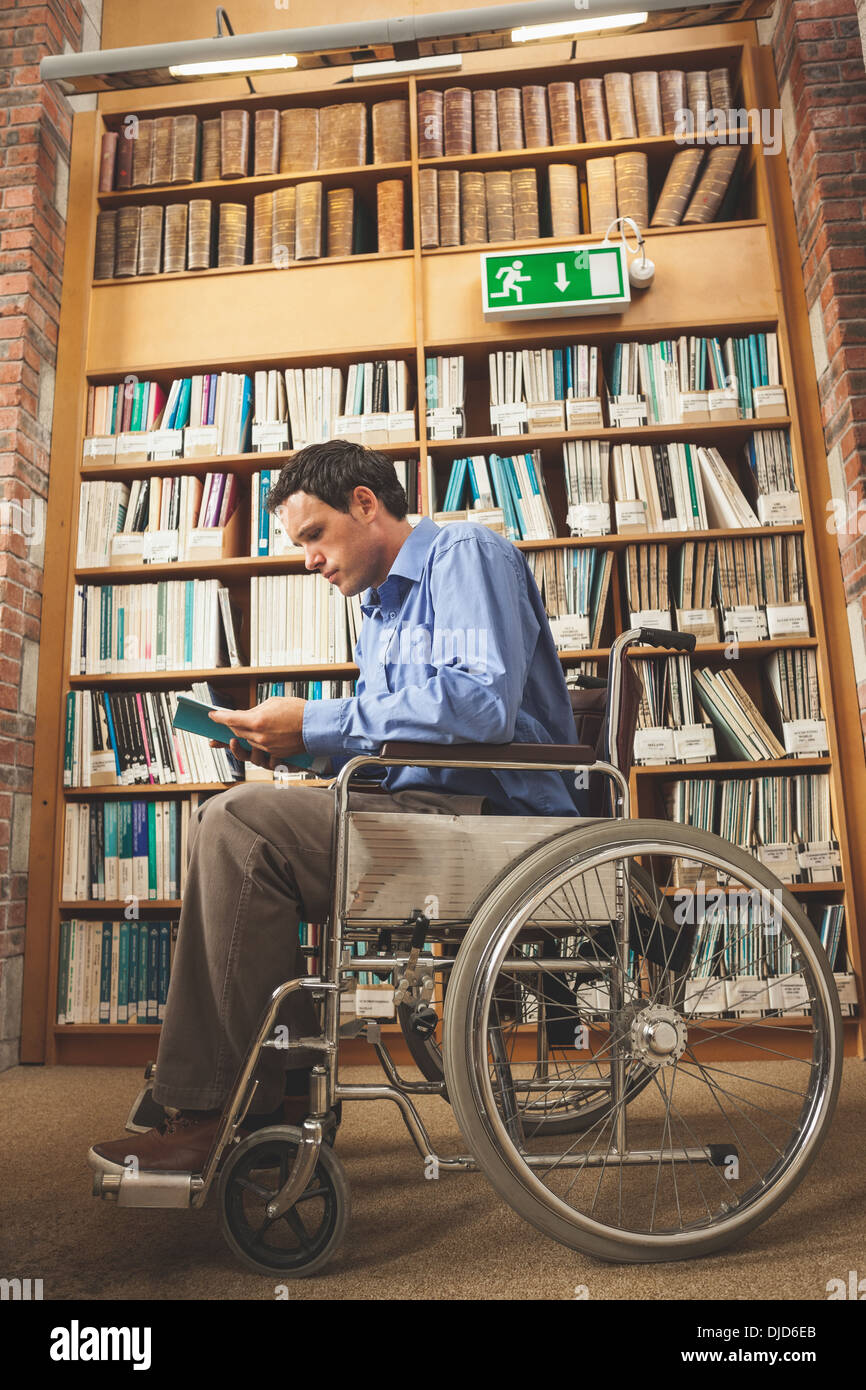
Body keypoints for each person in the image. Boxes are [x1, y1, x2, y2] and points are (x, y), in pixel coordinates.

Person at [88, 439, 584, 1175]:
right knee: (238, 816)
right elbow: (395, 739)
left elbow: (480, 707)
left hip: (498, 816)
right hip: (423, 806)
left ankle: (233, 1103)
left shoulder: (465, 555)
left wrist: (317, 722)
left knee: (237, 825)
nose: (309, 560)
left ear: (365, 502)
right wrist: (295, 748)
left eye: (314, 535)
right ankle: (266, 1089)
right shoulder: (381, 612)